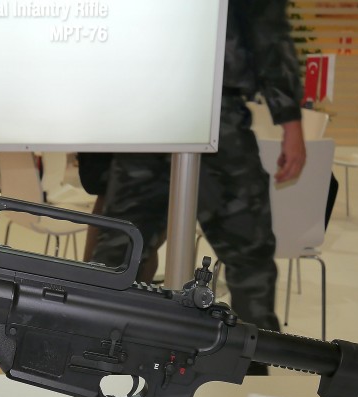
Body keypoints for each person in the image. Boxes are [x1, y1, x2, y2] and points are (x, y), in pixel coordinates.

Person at [89, 0, 305, 340]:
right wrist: (290, 121)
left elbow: (265, 25)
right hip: (170, 110)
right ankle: (93, 348)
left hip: (191, 112)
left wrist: (290, 119)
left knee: (122, 251)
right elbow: (268, 31)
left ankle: (253, 362)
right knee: (120, 251)